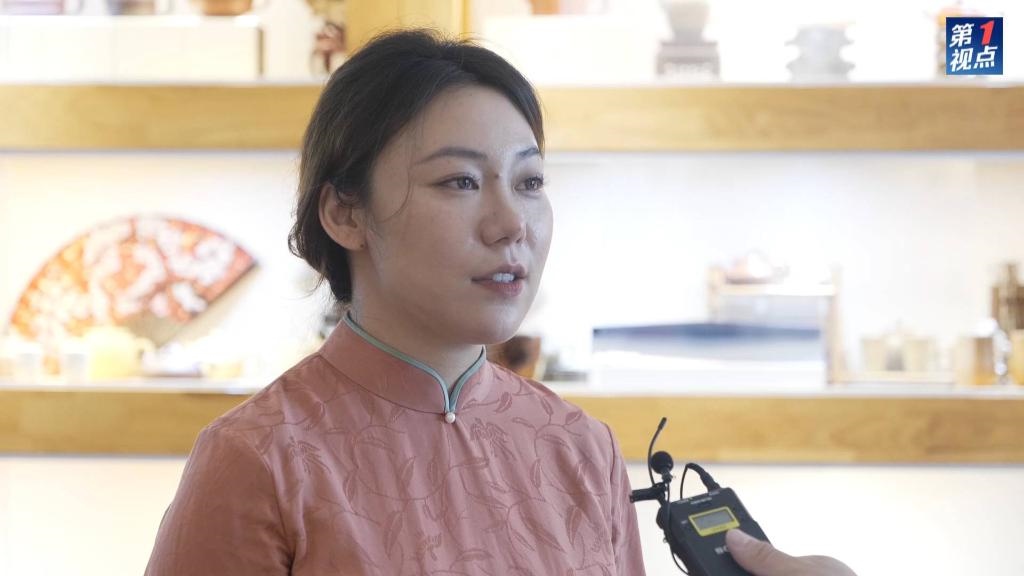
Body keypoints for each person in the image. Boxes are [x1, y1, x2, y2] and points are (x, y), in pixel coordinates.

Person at [145, 29, 855, 576]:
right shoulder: (256, 460)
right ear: (345, 213)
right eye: (459, 182)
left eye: (530, 182)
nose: (511, 223)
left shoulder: (581, 447)